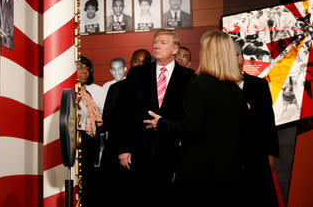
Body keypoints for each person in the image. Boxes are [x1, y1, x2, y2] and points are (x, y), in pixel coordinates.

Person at [145, 30, 247, 207]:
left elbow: (191, 129)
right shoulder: (236, 91)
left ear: (208, 53)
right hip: (230, 174)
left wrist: (161, 123)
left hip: (200, 175)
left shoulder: (198, 84)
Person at [117, 29, 195, 206]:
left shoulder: (189, 78)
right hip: (140, 152)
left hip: (174, 152)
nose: (156, 46)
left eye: (163, 42)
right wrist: (124, 147)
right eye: (155, 42)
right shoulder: (137, 74)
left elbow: (192, 118)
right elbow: (124, 112)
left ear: (175, 49)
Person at [97, 49, 152, 207]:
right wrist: (123, 147)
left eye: (144, 62)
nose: (139, 65)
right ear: (130, 63)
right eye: (136, 61)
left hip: (145, 153)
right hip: (117, 151)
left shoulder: (153, 90)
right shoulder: (117, 88)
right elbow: (109, 120)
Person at [235, 42, 279, 207]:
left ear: (242, 57)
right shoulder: (218, 85)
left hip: (257, 155)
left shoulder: (259, 85)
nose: (234, 59)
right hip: (229, 158)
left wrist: (271, 154)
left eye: (237, 55)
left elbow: (268, 121)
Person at [77, 56, 106, 207]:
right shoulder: (70, 92)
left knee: (89, 183)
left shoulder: (86, 93)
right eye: (80, 67)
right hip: (77, 143)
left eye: (87, 69)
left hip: (90, 143)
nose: (85, 72)